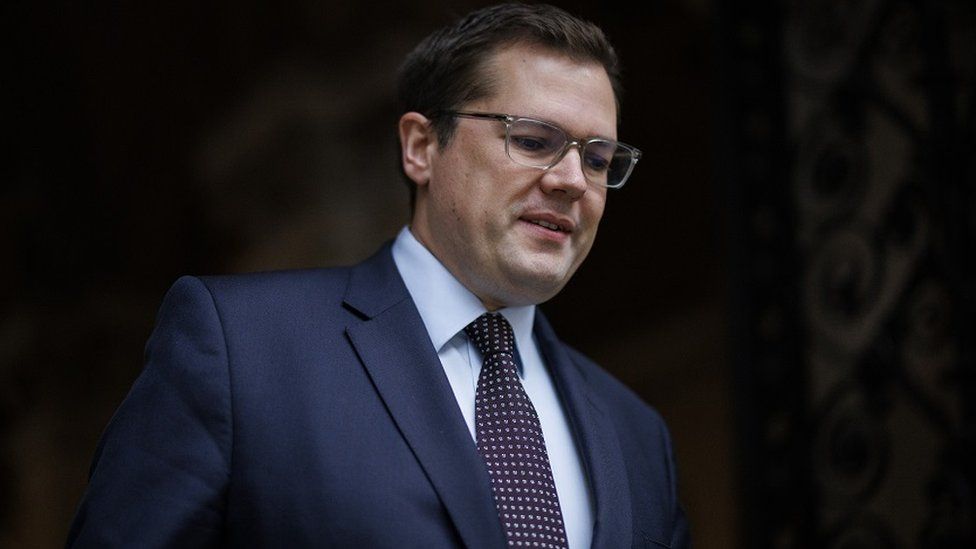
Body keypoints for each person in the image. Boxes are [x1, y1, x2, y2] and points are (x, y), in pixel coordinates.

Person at [67, 3, 689, 548]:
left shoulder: (636, 433)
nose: (572, 180)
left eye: (599, 158)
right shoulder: (240, 348)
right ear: (421, 147)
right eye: (531, 140)